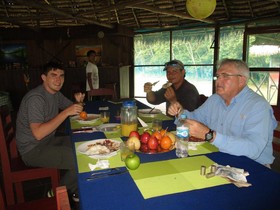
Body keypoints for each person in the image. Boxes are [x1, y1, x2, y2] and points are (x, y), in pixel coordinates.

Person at [168, 58, 277, 166]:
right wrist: (179, 112)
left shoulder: (258, 106)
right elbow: (193, 118)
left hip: (252, 166)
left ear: (241, 80)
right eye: (218, 76)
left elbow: (253, 149)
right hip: (217, 159)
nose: (218, 81)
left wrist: (210, 136)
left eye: (225, 76)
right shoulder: (215, 99)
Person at [16, 61, 85, 202]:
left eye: (61, 75)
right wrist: (65, 113)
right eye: (53, 75)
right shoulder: (36, 98)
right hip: (32, 150)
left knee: (82, 145)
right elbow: (38, 134)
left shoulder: (55, 94)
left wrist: (79, 103)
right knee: (80, 159)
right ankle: (56, 194)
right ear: (43, 78)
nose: (58, 79)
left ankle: (77, 189)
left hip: (48, 141)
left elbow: (72, 109)